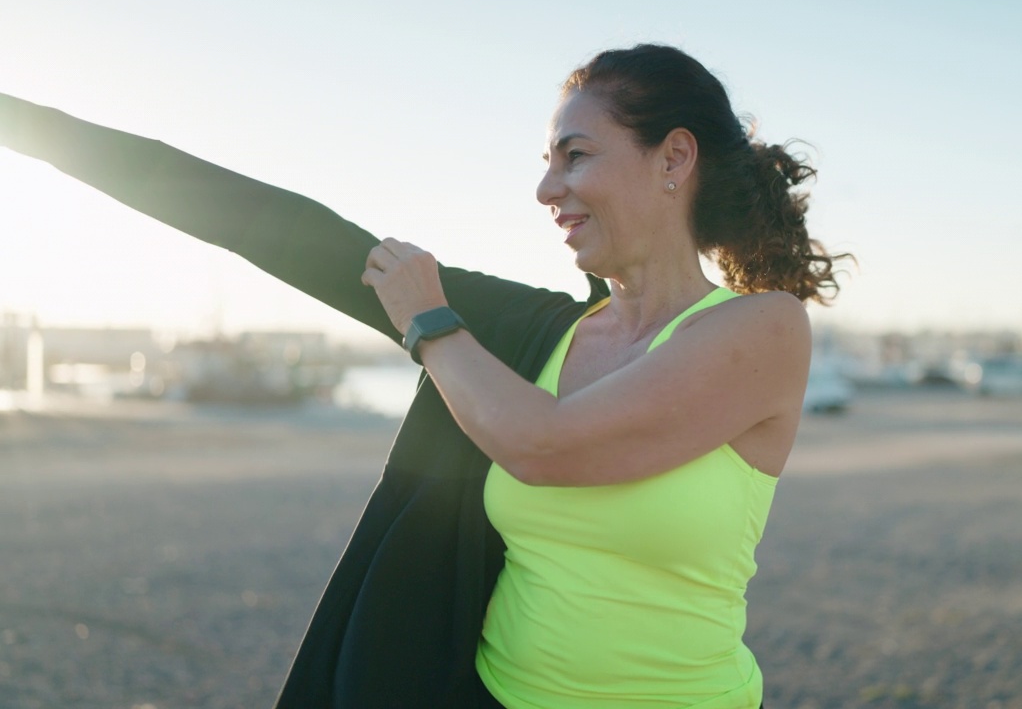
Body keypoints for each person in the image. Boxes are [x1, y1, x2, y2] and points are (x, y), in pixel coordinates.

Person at [0, 44, 850, 708]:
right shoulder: (535, 333)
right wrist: (32, 128)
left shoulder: (762, 327)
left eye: (576, 155)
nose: (547, 187)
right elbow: (284, 231)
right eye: (548, 161)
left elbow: (541, 445)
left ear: (674, 159)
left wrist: (430, 320)